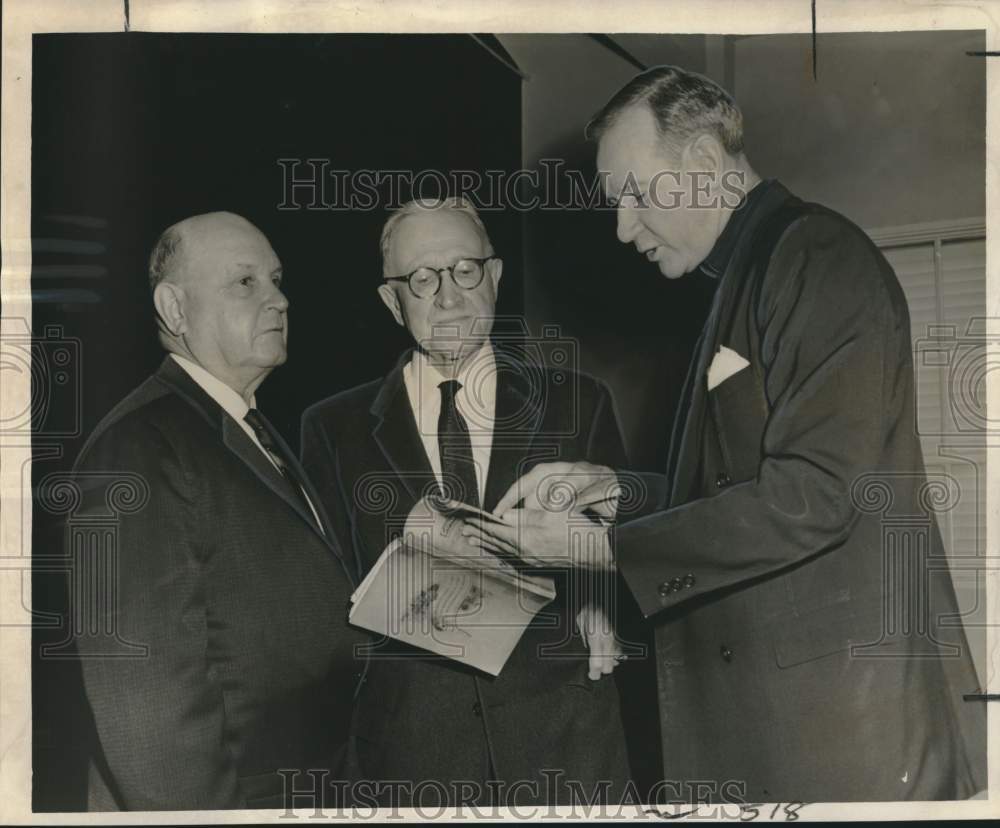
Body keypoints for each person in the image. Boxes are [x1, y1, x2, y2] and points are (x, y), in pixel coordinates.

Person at [463, 66, 986, 802]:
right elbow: (734, 491)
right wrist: (616, 490)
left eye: (638, 196)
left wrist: (595, 547)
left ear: (705, 164)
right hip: (789, 729)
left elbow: (812, 495)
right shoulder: (742, 278)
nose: (622, 228)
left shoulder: (814, 257)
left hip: (838, 735)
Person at [301, 197, 631, 806]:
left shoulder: (578, 404)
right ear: (391, 301)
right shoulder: (331, 429)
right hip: (408, 758)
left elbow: (631, 551)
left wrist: (602, 605)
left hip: (564, 751)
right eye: (422, 279)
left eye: (465, 270)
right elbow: (323, 596)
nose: (448, 297)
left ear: (496, 277)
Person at [69, 212, 362, 810]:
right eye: (245, 282)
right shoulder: (139, 446)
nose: (279, 298)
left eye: (277, 279)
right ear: (175, 310)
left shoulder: (244, 427)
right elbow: (146, 713)